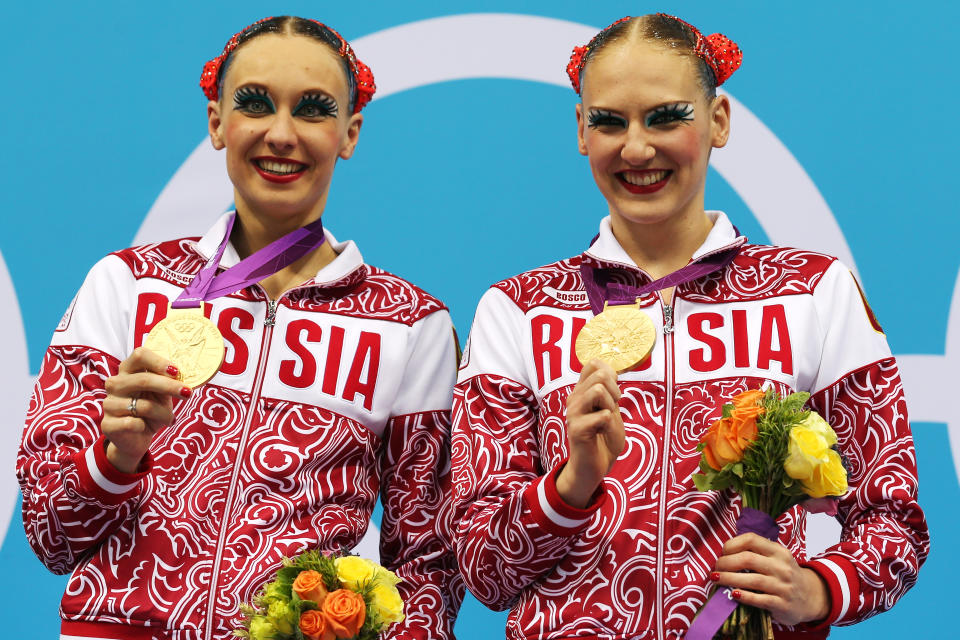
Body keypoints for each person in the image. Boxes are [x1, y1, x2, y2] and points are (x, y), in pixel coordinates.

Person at [451, 12, 927, 640]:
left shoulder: (813, 290)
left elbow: (892, 519)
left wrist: (816, 589)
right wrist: (572, 483)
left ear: (718, 121)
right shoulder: (517, 308)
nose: (637, 148)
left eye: (666, 116)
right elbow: (484, 571)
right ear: (581, 131)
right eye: (609, 121)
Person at [18, 16, 462, 640]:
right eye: (255, 103)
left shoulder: (411, 324)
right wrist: (115, 456)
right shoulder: (127, 284)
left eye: (313, 110)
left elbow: (429, 563)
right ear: (216, 122)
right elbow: (49, 536)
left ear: (349, 134)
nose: (281, 134)